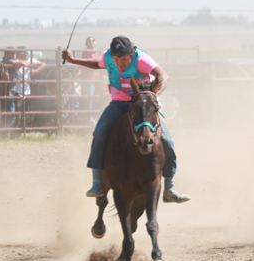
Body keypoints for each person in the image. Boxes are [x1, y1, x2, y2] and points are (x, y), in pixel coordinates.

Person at [62, 36, 190, 203]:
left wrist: (154, 96)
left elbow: (163, 76)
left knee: (166, 141)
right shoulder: (108, 56)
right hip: (119, 104)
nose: (120, 63)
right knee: (100, 132)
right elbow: (98, 64)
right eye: (116, 59)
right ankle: (97, 182)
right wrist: (73, 60)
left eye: (124, 59)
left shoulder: (142, 59)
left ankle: (169, 188)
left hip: (142, 105)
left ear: (131, 54)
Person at [9, 47, 46, 128]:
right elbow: (16, 64)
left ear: (25, 54)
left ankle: (23, 129)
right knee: (18, 111)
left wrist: (35, 71)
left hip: (27, 91)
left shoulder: (30, 60)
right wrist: (26, 64)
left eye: (21, 53)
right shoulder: (15, 61)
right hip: (17, 90)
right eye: (17, 53)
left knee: (25, 111)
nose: (18, 55)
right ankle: (16, 130)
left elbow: (43, 64)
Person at [79, 36, 100, 124]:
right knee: (89, 98)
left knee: (91, 98)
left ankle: (89, 118)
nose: (91, 42)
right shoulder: (87, 52)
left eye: (92, 41)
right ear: (86, 43)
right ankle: (89, 118)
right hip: (89, 79)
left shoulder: (94, 52)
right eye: (89, 41)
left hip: (93, 78)